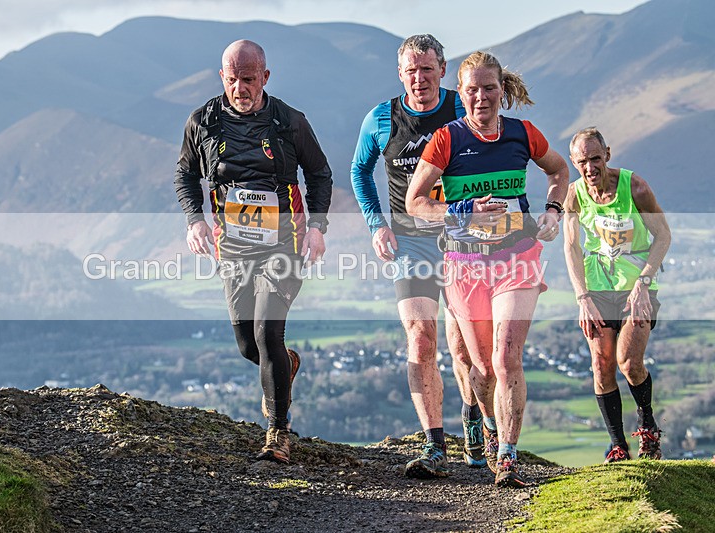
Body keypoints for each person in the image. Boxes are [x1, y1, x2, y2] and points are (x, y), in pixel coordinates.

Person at [405, 51, 569, 487]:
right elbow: (415, 203)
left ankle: (509, 457)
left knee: (505, 357)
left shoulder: (522, 134)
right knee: (482, 372)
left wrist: (553, 211)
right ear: (461, 93)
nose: (481, 97)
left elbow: (559, 171)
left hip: (517, 257)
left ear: (502, 90)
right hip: (465, 264)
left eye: (489, 88)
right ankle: (493, 430)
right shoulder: (447, 139)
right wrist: (463, 210)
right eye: (472, 89)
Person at [174, 40, 332, 464]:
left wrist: (317, 228)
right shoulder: (203, 122)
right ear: (221, 77)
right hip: (234, 247)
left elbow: (320, 173)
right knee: (248, 344)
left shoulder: (289, 122)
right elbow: (186, 174)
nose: (241, 88)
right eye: (232, 80)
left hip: (286, 241)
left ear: (265, 76)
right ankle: (286, 364)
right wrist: (194, 220)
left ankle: (278, 434)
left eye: (248, 79)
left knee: (267, 333)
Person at [351, 34, 495, 479]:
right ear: (400, 74)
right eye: (411, 71)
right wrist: (376, 224)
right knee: (420, 338)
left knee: (466, 349)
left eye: (427, 69)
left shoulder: (459, 109)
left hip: (461, 240)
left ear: (442, 69)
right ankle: (435, 445)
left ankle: (473, 415)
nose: (419, 78)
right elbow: (360, 170)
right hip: (410, 241)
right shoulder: (380, 118)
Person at [563, 127, 671, 463]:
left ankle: (647, 426)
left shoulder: (634, 187)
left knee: (628, 362)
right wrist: (582, 297)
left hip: (636, 288)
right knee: (601, 364)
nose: (590, 168)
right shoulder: (575, 194)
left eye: (596, 159)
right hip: (597, 290)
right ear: (574, 162)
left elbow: (663, 235)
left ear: (608, 154)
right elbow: (571, 246)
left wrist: (643, 282)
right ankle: (618, 446)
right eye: (582, 161)